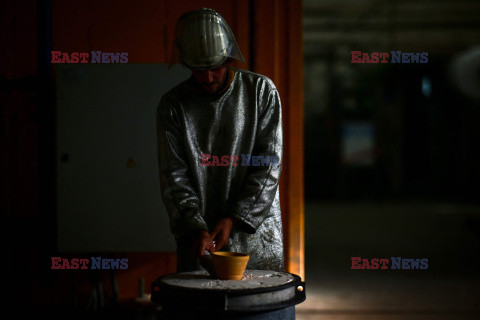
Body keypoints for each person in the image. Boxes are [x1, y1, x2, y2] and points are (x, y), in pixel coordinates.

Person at [157, 8, 284, 273]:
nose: (208, 78)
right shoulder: (173, 106)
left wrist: (235, 218)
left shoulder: (262, 92)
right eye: (198, 69)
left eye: (214, 67)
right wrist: (195, 228)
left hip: (257, 236)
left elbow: (268, 166)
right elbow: (174, 176)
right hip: (199, 243)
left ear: (228, 57)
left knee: (260, 301)